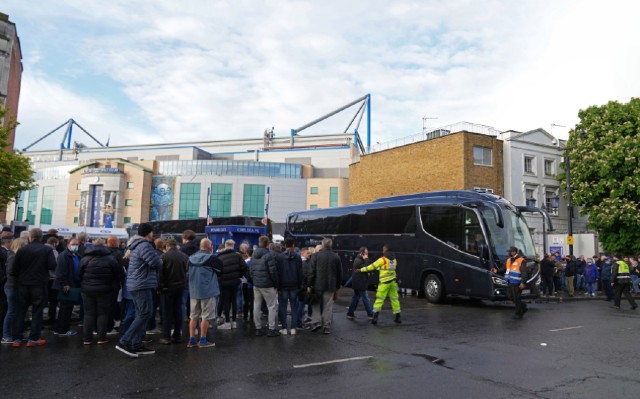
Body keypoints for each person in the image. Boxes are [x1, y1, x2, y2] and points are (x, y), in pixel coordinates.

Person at [116, 223, 162, 358]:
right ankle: (124, 341)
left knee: (141, 314)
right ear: (149, 233)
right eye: (152, 232)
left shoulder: (137, 245)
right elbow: (156, 263)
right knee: (145, 314)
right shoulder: (145, 245)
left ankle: (136, 344)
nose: (153, 235)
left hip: (137, 284)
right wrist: (160, 260)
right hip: (142, 284)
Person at [11, 228, 56, 348]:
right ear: (41, 237)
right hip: (39, 284)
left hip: (23, 284)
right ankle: (33, 338)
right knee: (37, 311)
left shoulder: (22, 250)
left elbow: (14, 269)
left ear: (30, 237)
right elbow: (52, 265)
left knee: (20, 311)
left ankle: (17, 338)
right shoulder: (47, 249)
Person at [79, 240, 123, 345]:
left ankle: (87, 339)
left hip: (87, 289)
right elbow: (117, 273)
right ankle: (101, 338)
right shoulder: (110, 259)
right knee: (102, 313)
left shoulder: (85, 258)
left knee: (88, 314)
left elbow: (79, 273)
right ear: (104, 246)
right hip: (105, 290)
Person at [187, 239, 221, 348]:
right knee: (205, 317)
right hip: (208, 291)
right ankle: (203, 340)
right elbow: (221, 271)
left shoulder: (190, 258)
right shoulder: (212, 258)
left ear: (200, 246)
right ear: (210, 247)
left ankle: (191, 339)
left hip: (193, 291)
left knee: (193, 316)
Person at [356, 244, 400, 325]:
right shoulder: (394, 260)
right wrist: (380, 268)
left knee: (379, 300)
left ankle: (375, 318)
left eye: (383, 249)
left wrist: (361, 270)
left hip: (384, 284)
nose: (382, 251)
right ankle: (398, 317)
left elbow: (371, 267)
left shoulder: (382, 260)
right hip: (393, 283)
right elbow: (389, 269)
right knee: (394, 299)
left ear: (386, 250)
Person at [308, 238, 342, 333]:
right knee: (328, 306)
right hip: (330, 285)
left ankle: (316, 323)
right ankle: (326, 326)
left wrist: (309, 285)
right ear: (331, 245)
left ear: (322, 245)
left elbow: (311, 272)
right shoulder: (336, 257)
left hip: (317, 285)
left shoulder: (316, 256)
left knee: (316, 304)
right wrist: (338, 286)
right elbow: (339, 273)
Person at [158, 239, 188, 344]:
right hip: (180, 286)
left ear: (167, 246)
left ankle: (166, 337)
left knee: (167, 312)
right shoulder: (184, 256)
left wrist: (161, 287)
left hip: (168, 287)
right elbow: (186, 271)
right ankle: (177, 335)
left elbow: (160, 273)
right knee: (178, 311)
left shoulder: (164, 256)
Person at [250, 236, 280, 337]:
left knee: (257, 305)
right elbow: (273, 271)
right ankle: (271, 329)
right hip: (267, 284)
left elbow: (251, 269)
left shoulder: (254, 254)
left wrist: (254, 279)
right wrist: (276, 284)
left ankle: (258, 328)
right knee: (271, 306)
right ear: (267, 244)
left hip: (257, 283)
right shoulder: (269, 255)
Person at [52, 238, 81, 336]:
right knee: (65, 308)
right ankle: (62, 329)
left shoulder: (76, 255)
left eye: (77, 244)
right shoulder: (64, 255)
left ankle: (59, 328)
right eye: (73, 244)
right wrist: (64, 284)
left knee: (67, 308)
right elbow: (60, 272)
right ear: (68, 244)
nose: (75, 246)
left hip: (73, 284)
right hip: (66, 285)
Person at [216, 239, 246, 330]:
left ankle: (227, 322)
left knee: (226, 301)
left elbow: (218, 271)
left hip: (224, 282)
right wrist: (239, 276)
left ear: (225, 245)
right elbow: (244, 268)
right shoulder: (238, 256)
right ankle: (234, 322)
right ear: (233, 246)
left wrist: (221, 278)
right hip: (235, 281)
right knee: (234, 301)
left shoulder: (220, 257)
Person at [275, 237, 303, 336]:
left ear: (284, 245)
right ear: (293, 245)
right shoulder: (298, 257)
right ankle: (293, 328)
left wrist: (277, 286)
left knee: (282, 306)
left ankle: (284, 328)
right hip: (294, 285)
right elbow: (300, 273)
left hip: (282, 285)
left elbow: (277, 273)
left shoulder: (279, 257)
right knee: (294, 307)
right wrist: (300, 285)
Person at [493, 246, 529, 320]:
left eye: (510, 251)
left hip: (517, 282)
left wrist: (523, 282)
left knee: (516, 298)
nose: (509, 253)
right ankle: (523, 306)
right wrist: (497, 271)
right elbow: (504, 268)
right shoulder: (509, 260)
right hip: (509, 281)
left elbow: (524, 272)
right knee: (510, 297)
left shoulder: (521, 260)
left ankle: (518, 314)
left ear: (514, 252)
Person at [2, 237, 25, 344]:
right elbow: (11, 271)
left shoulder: (14, 256)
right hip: (12, 286)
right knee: (11, 311)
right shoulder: (13, 256)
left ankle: (11, 334)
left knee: (14, 311)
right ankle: (6, 335)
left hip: (13, 286)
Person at [347, 247, 374, 320]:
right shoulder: (359, 261)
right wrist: (366, 259)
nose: (367, 255)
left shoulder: (358, 259)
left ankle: (350, 313)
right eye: (366, 253)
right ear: (362, 253)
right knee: (366, 299)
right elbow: (367, 267)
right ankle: (370, 314)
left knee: (355, 298)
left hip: (357, 283)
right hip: (360, 283)